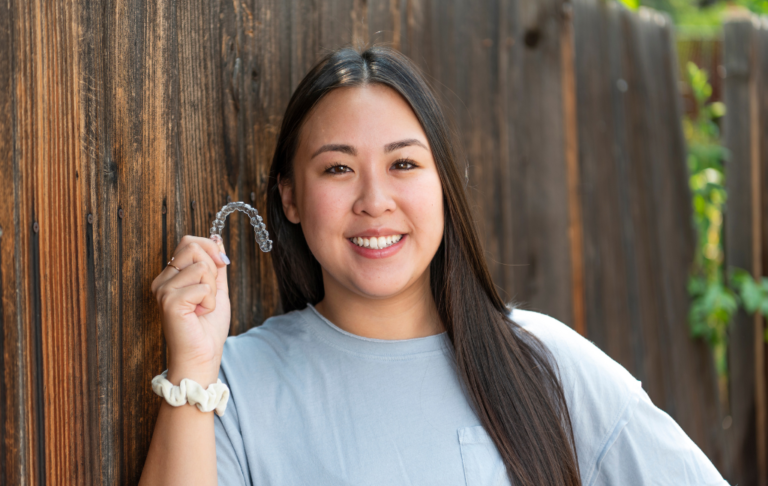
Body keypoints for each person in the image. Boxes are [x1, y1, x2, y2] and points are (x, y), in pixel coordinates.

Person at [139, 45, 729, 486]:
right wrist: (192, 362)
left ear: (444, 182)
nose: (374, 199)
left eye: (403, 165)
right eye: (338, 169)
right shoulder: (231, 385)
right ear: (289, 198)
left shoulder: (545, 365)